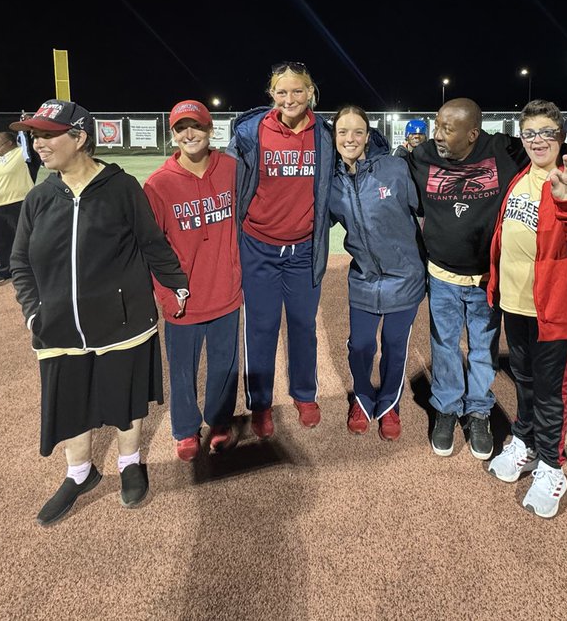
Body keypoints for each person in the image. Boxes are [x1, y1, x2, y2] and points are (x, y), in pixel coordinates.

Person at [9, 100, 189, 526]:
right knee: (71, 401)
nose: (38, 144)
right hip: (59, 327)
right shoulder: (38, 198)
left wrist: (177, 284)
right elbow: (20, 263)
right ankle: (80, 473)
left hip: (122, 321)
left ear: (79, 138)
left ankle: (130, 462)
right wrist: (34, 313)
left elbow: (151, 243)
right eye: (35, 136)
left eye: (48, 135)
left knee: (124, 397)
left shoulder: (122, 187)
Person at [485, 100, 567, 518]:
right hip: (516, 303)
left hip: (553, 307)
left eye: (546, 133)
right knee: (522, 378)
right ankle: (524, 441)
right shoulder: (521, 177)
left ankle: (553, 467)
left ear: (560, 138)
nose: (538, 140)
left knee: (551, 389)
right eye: (530, 133)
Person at [405, 97, 527, 460]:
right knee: (444, 345)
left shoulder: (503, 151)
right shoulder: (422, 156)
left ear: (473, 134)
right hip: (442, 275)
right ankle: (446, 406)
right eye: (437, 125)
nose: (438, 135)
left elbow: (552, 147)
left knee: (483, 348)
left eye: (448, 128)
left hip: (486, 279)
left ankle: (478, 409)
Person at [226, 62, 334, 438]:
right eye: (282, 92)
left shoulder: (325, 134)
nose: (290, 99)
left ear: (311, 92)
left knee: (304, 325)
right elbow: (229, 179)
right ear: (272, 95)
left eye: (298, 91)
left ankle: (304, 394)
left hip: (304, 250)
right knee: (261, 327)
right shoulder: (253, 131)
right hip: (259, 246)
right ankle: (261, 403)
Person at [143, 99, 243, 461]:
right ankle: (185, 429)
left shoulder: (231, 168)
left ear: (210, 130)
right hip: (184, 298)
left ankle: (219, 421)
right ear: (173, 134)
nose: (189, 134)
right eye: (181, 128)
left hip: (226, 290)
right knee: (182, 370)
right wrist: (167, 294)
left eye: (196, 126)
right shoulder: (158, 184)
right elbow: (152, 248)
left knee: (224, 365)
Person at [329, 106, 426, 441]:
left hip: (405, 278)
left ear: (368, 136)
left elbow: (426, 209)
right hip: (364, 279)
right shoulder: (331, 182)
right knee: (360, 346)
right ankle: (362, 398)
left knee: (394, 346)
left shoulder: (395, 169)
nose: (350, 138)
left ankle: (388, 405)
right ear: (334, 137)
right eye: (343, 132)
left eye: (358, 131)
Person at [0, 130, 36, 282]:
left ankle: (29, 269)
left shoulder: (22, 154)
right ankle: (4, 270)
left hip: (17, 204)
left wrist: (26, 129)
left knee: (23, 240)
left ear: (9, 143)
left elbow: (31, 144)